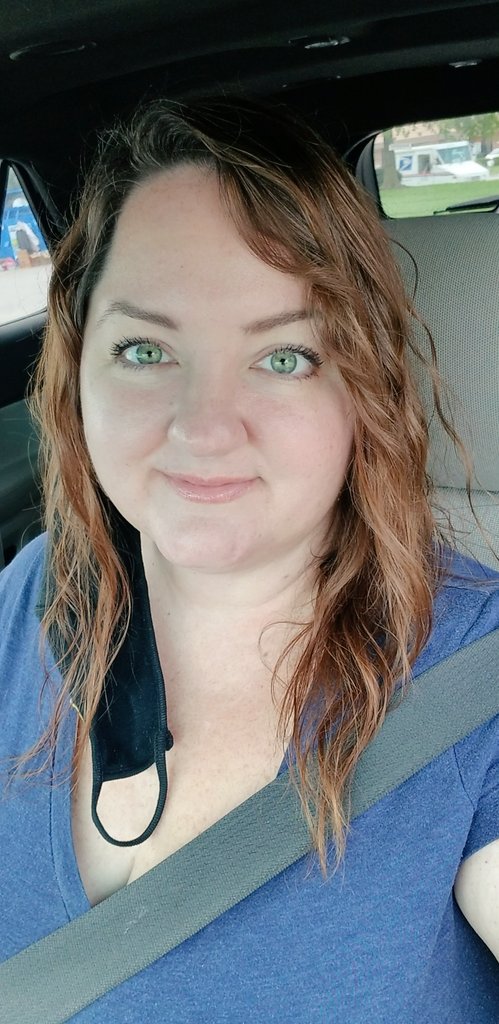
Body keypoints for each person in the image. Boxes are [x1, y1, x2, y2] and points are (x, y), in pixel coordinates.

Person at [0, 95, 498, 1022]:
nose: (204, 428)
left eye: (284, 358)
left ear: (366, 384)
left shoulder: (476, 674)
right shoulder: (29, 596)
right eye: (144, 348)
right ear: (78, 367)